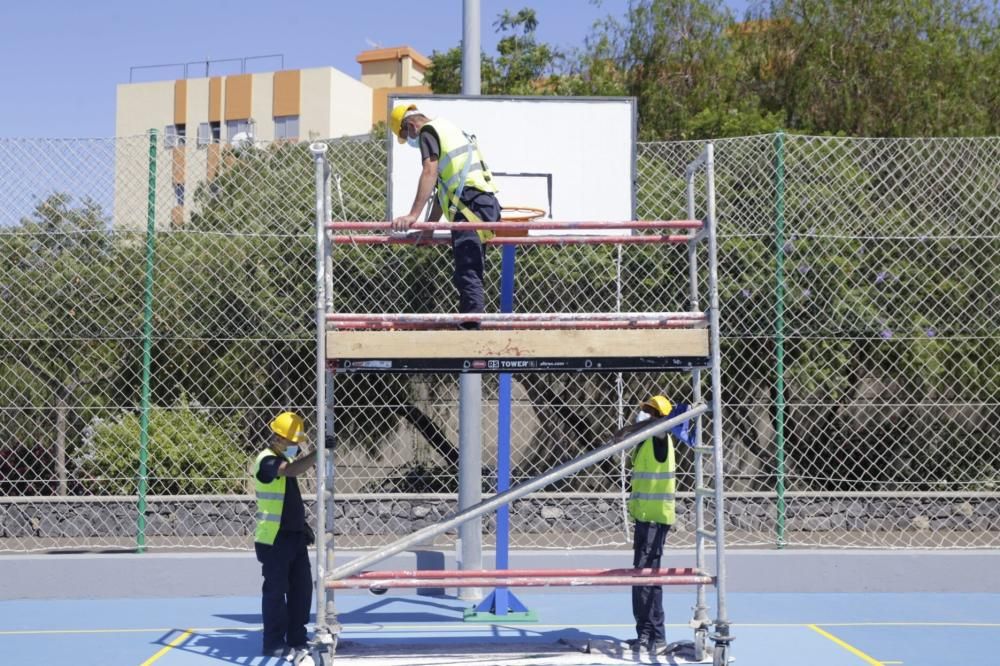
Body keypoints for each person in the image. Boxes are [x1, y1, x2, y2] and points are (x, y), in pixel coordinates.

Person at [389, 104, 501, 326]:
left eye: (405, 135)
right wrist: (429, 227)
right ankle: (470, 324)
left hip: (471, 205)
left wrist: (413, 215)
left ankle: (470, 330)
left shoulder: (427, 132)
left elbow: (429, 172)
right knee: (469, 270)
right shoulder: (448, 128)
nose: (409, 140)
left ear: (410, 125)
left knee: (468, 271)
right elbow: (444, 191)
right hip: (482, 204)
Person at [253, 411, 332, 662]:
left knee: (302, 590)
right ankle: (273, 642)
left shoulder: (282, 457)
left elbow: (290, 498)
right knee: (276, 591)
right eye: (293, 442)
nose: (296, 447)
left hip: (295, 537)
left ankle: (297, 638)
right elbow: (291, 470)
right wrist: (318, 453)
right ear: (278, 438)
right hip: (274, 539)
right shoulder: (267, 461)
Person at [627, 395, 677, 654]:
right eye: (644, 410)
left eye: (649, 412)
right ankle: (648, 634)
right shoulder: (646, 440)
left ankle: (653, 634)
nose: (643, 414)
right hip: (646, 518)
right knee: (644, 577)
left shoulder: (659, 438)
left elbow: (663, 426)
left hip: (654, 519)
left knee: (646, 578)